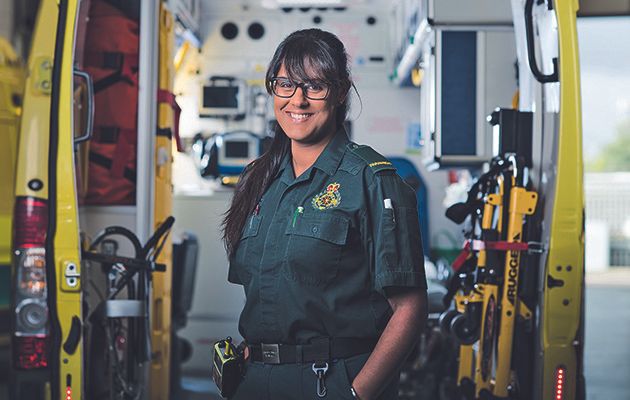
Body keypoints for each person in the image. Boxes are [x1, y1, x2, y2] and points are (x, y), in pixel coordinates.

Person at [222, 28, 428, 400]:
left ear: (340, 92)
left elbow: (409, 309)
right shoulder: (257, 179)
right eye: (285, 84)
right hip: (256, 380)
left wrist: (355, 393)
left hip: (328, 381)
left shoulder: (372, 180)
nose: (297, 101)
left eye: (313, 86)